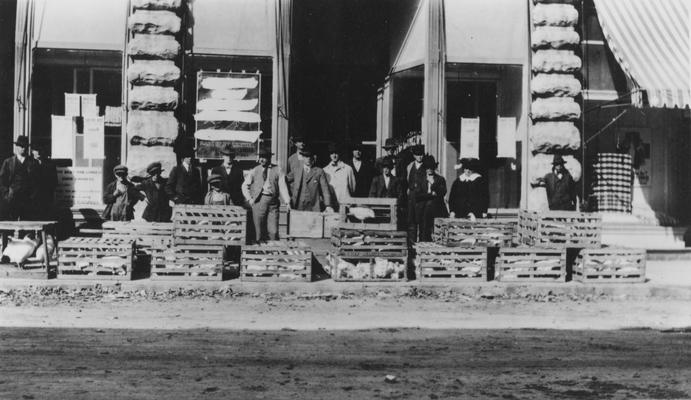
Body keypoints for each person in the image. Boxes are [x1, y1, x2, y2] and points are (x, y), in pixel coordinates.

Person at [242, 148, 291, 243]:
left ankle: (272, 253)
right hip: (259, 201)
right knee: (259, 230)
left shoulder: (277, 169)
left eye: (264, 157)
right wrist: (249, 199)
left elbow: (283, 186)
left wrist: (287, 201)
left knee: (273, 231)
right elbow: (244, 185)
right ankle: (259, 254)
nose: (261, 160)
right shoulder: (255, 170)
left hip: (273, 202)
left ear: (269, 158)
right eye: (260, 157)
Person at [0, 136, 37, 220]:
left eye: (25, 146)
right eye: (21, 146)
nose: (23, 148)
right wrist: (7, 195)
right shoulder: (8, 162)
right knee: (11, 224)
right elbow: (2, 181)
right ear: (16, 147)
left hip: (27, 200)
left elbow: (36, 181)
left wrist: (32, 196)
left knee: (27, 225)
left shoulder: (33, 163)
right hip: (12, 199)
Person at [288, 148, 333, 212]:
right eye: (306, 157)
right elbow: (284, 181)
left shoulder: (319, 171)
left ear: (313, 157)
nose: (308, 159)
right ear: (302, 157)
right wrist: (290, 195)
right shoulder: (296, 170)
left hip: (313, 206)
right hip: (298, 205)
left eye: (310, 156)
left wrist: (328, 205)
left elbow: (325, 189)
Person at [415, 155, 448, 242]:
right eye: (427, 167)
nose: (429, 169)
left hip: (437, 209)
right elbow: (418, 195)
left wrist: (433, 183)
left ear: (434, 167)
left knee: (438, 231)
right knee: (424, 230)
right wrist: (431, 195)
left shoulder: (440, 179)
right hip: (424, 209)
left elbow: (443, 192)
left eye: (431, 167)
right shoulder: (421, 179)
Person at [322, 142, 355, 211]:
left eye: (336, 153)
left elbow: (352, 188)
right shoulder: (325, 170)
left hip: (345, 206)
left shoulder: (348, 169)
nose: (334, 155)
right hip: (332, 207)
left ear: (340, 153)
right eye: (332, 153)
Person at [29, 143, 58, 221]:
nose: (38, 152)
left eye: (39, 150)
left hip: (46, 199)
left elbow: (54, 182)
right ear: (32, 151)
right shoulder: (29, 164)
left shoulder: (50, 164)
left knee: (46, 221)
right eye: (35, 150)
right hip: (32, 200)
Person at [405, 144, 427, 243]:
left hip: (422, 198)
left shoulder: (427, 166)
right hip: (412, 197)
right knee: (411, 221)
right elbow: (407, 181)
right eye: (418, 155)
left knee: (422, 221)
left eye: (421, 154)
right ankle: (411, 244)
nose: (420, 157)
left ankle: (421, 244)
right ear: (414, 155)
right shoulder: (410, 166)